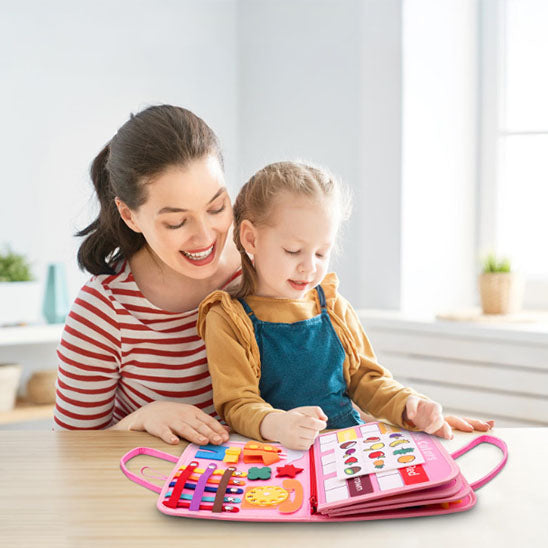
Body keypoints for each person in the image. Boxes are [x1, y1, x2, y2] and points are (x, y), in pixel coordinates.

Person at [197, 161, 494, 450]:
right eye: (293, 251)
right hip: (273, 457)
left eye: (321, 253)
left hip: (347, 449)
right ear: (251, 238)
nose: (308, 267)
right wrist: (278, 424)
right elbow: (237, 403)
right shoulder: (227, 318)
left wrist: (409, 405)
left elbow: (367, 380)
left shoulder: (333, 306)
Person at [54, 105, 243, 446]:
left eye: (216, 208)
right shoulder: (103, 311)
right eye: (176, 222)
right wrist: (141, 419)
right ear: (129, 216)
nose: (205, 237)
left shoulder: (261, 262)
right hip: (148, 487)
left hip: (265, 486)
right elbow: (69, 450)